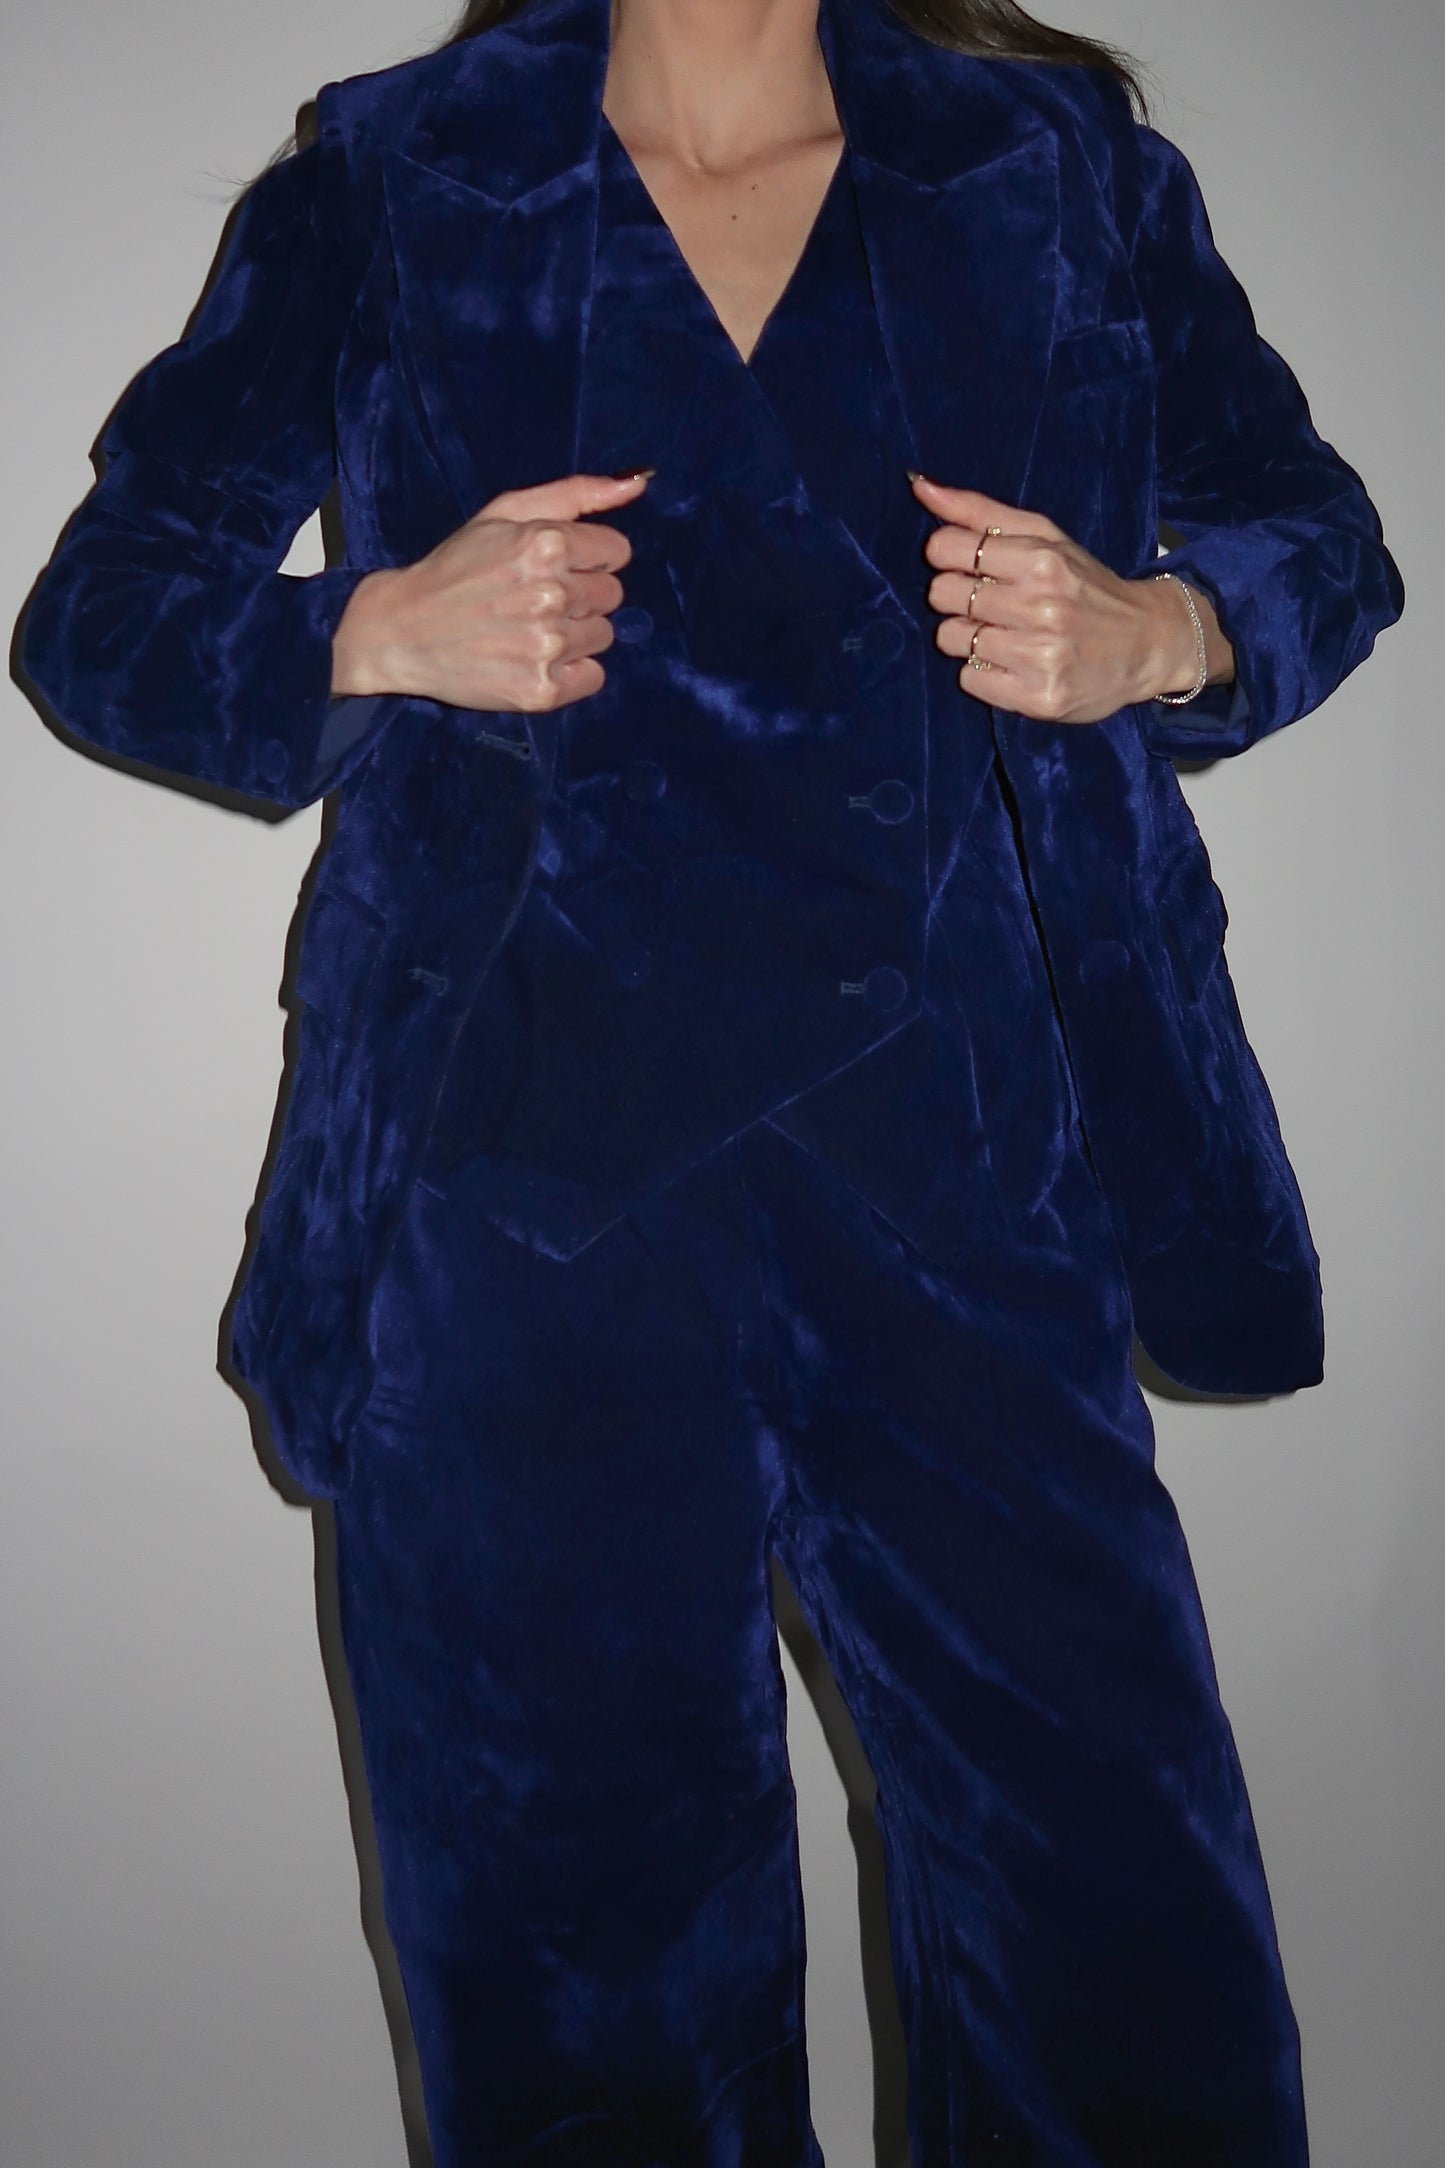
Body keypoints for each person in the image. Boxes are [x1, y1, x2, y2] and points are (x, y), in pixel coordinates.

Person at [19, 0, 1403, 2156]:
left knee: (1138, 1994)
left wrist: (1171, 630)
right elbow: (100, 611)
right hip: (518, 1243)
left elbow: (1316, 532)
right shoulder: (392, 171)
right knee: (588, 2037)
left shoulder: (1061, 168)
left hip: (972, 1201)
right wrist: (365, 631)